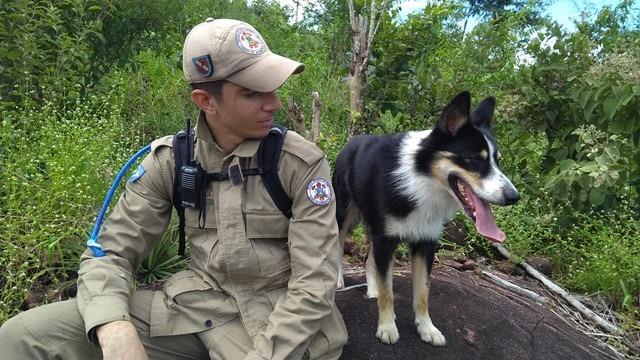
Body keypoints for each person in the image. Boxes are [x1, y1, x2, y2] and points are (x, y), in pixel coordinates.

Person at [0, 18, 348, 360]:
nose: (273, 103)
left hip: (279, 326)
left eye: (273, 87)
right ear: (206, 101)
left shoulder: (298, 163)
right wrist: (113, 328)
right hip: (196, 310)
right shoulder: (172, 160)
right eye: (252, 93)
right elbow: (110, 253)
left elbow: (313, 285)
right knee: (22, 338)